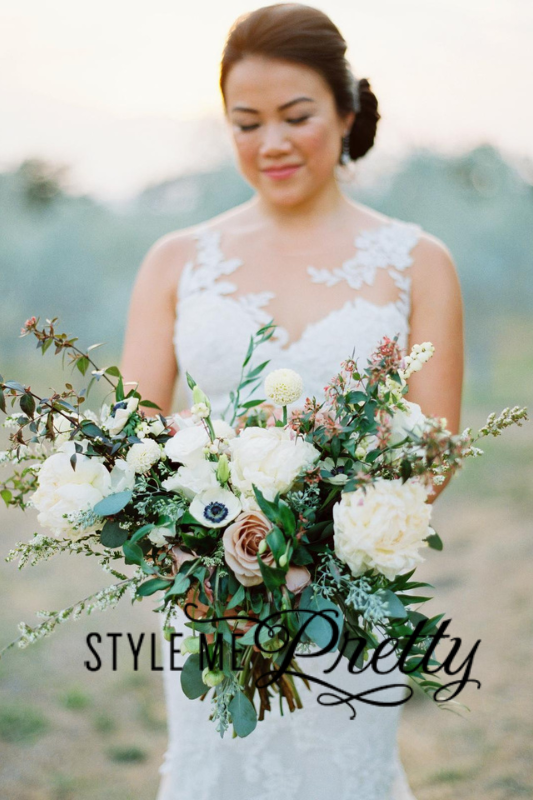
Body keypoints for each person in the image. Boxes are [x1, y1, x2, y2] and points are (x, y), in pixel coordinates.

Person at [120, 4, 463, 798]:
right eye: (245, 122)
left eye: (295, 115)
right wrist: (208, 568)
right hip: (209, 597)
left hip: (344, 602)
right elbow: (135, 439)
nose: (270, 143)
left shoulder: (417, 260)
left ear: (345, 111)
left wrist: (310, 561)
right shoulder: (176, 260)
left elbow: (432, 449)